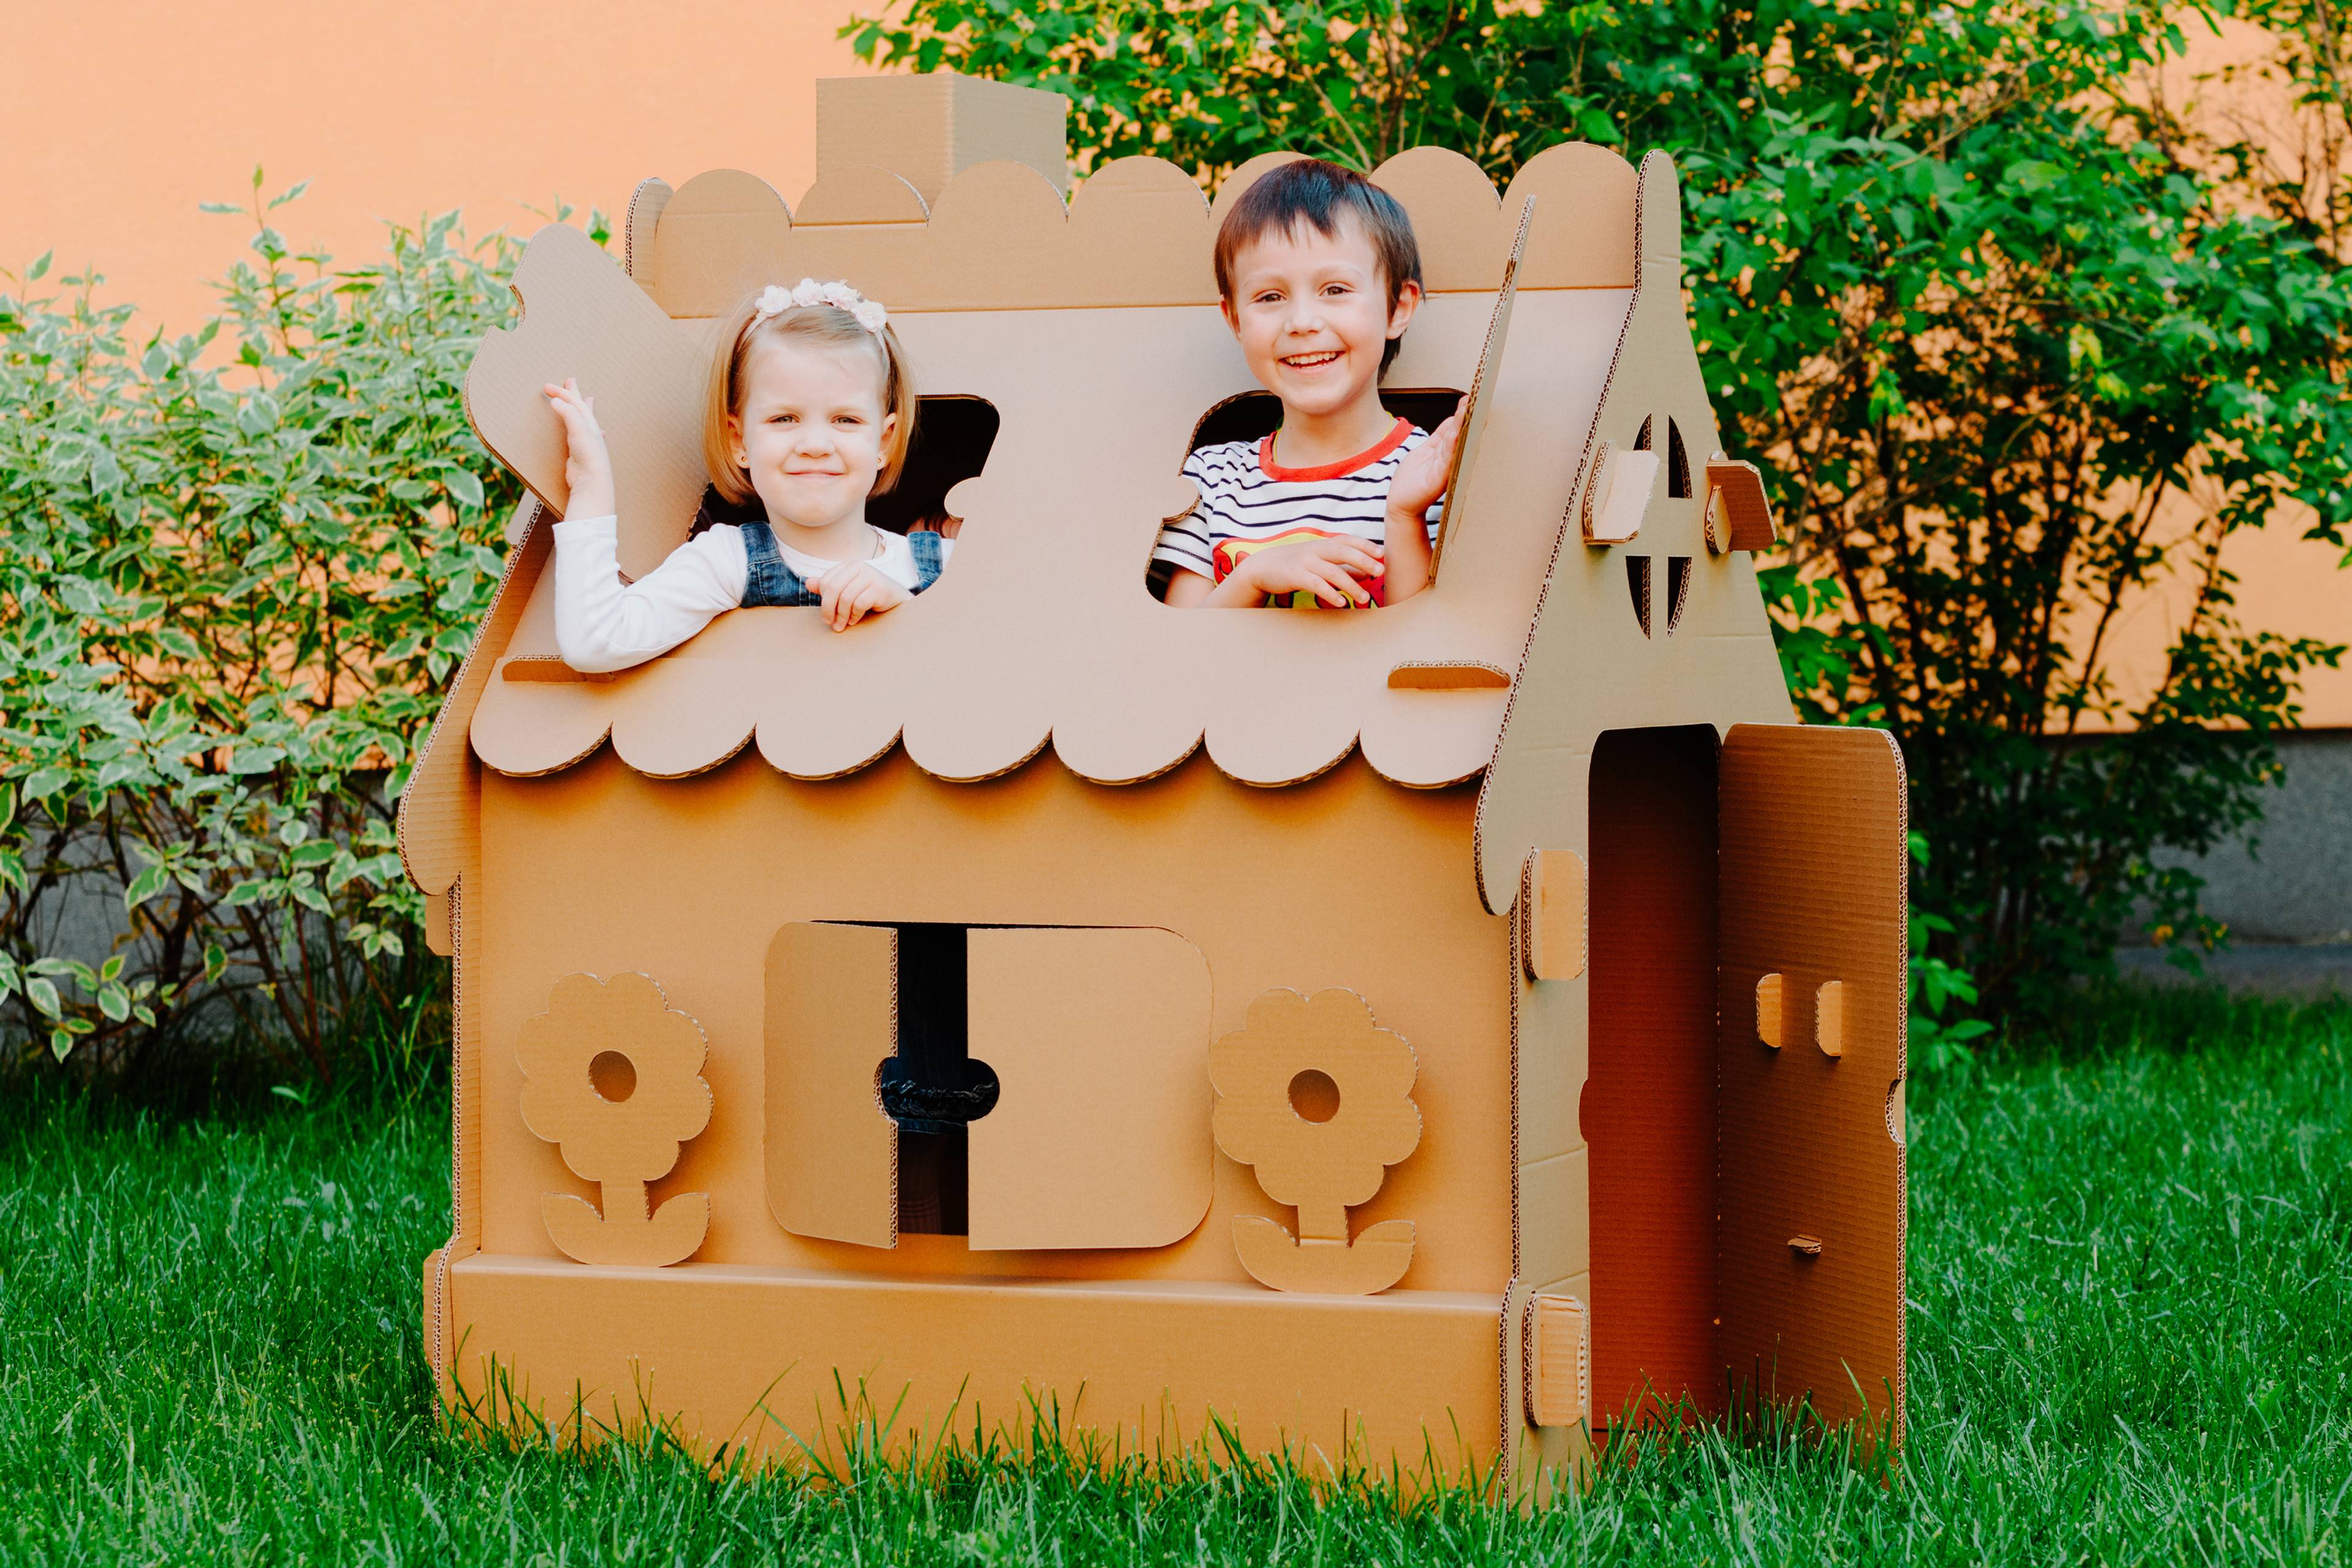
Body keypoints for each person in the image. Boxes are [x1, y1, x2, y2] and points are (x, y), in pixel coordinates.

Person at [543, 277, 940, 672]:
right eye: (784, 418)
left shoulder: (943, 565)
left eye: (846, 419)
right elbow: (596, 642)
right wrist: (590, 484)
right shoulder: (727, 560)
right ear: (740, 440)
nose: (816, 444)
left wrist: (906, 613)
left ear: (884, 442)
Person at [1154, 159, 1461, 609]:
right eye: (1270, 297)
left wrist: (1404, 517)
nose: (1301, 322)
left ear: (1397, 308)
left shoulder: (1430, 476)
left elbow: (1429, 649)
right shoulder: (1211, 479)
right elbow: (1173, 648)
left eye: (1335, 289)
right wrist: (1253, 579)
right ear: (1235, 319)